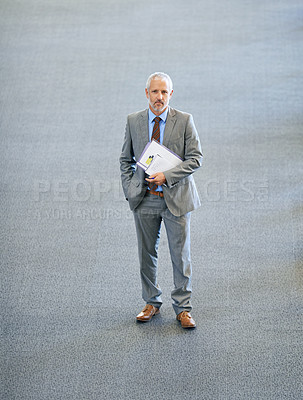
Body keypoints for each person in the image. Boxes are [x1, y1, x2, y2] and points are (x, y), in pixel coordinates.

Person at [119, 72, 203, 329]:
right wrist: (130, 188)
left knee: (181, 256)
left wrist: (166, 176)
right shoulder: (134, 121)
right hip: (145, 200)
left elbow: (195, 158)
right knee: (146, 254)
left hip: (176, 198)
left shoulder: (185, 120)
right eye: (155, 92)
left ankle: (183, 308)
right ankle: (151, 302)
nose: (159, 97)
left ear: (171, 94)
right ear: (147, 93)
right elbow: (125, 160)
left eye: (164, 92)